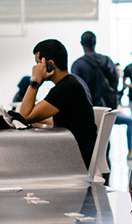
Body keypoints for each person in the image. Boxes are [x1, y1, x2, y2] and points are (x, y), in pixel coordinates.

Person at [18, 39, 98, 168]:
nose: (36, 68)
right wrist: (41, 120)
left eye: (38, 63)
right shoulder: (74, 81)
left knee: (24, 162)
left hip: (74, 158)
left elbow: (24, 115)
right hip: (76, 150)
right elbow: (71, 122)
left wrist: (35, 81)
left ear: (50, 64)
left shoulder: (66, 87)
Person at [71, 31, 132, 158]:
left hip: (88, 110)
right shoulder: (107, 61)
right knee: (104, 140)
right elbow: (114, 82)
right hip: (107, 108)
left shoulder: (78, 64)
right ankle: (105, 166)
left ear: (81, 43)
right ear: (95, 42)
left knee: (91, 140)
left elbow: (76, 88)